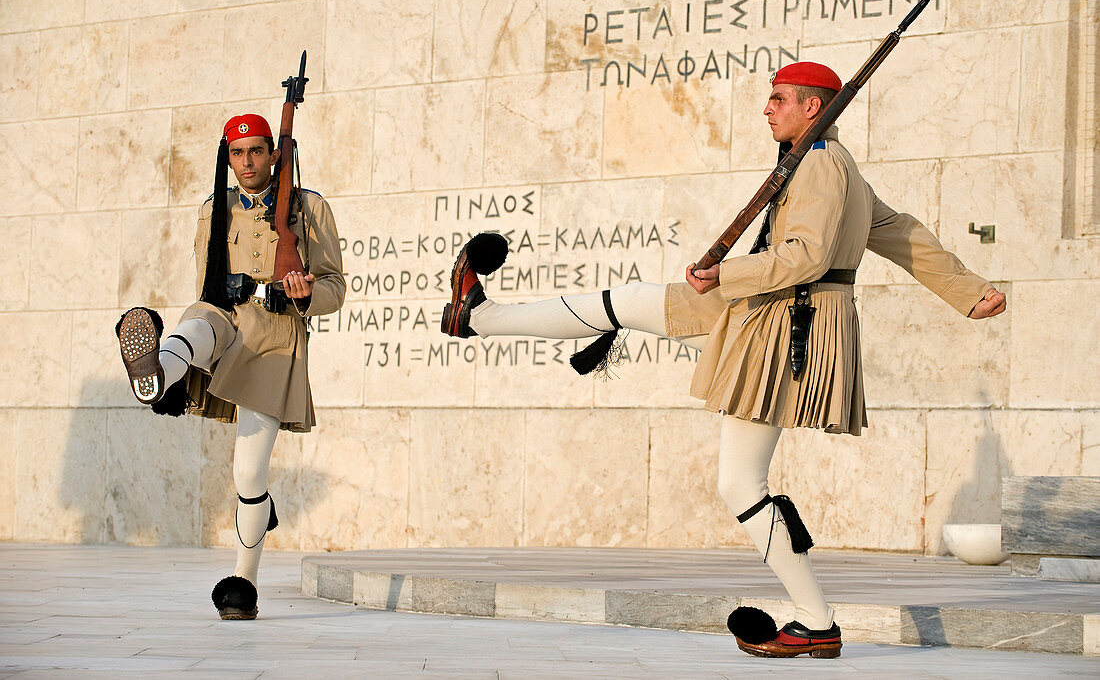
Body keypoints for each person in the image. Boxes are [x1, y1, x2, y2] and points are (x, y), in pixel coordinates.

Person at [441, 62, 1006, 658]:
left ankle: (817, 621)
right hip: (765, 310)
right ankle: (478, 316)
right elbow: (901, 232)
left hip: (781, 323)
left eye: (779, 98)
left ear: (813, 107)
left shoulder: (818, 166)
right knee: (629, 302)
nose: (768, 108)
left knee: (739, 483)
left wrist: (722, 273)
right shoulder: (832, 168)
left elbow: (806, 256)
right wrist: (968, 291)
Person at [115, 114, 346, 620]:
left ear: (273, 154)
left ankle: (244, 579)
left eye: (257, 152)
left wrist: (306, 296)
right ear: (228, 156)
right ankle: (158, 377)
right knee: (195, 324)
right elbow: (206, 286)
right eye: (237, 154)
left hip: (274, 335)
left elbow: (335, 287)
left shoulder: (309, 209)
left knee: (248, 473)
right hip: (224, 315)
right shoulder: (212, 210)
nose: (246, 163)